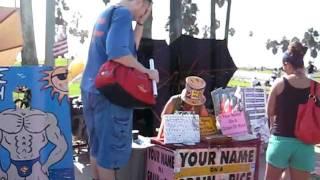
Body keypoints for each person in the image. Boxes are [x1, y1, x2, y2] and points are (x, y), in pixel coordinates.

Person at [80, 0, 159, 179]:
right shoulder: (123, 14)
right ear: (139, 2)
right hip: (110, 94)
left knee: (97, 149)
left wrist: (140, 24)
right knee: (109, 156)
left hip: (91, 88)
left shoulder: (108, 12)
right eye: (145, 9)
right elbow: (118, 53)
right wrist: (147, 72)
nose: (144, 14)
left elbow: (130, 50)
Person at [265, 42, 315, 180]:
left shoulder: (280, 83)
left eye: (283, 66)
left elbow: (269, 112)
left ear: (287, 64)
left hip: (281, 141)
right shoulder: (316, 87)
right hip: (305, 144)